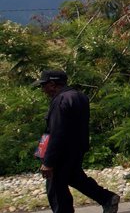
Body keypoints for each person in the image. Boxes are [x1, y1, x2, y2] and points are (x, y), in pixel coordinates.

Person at [33, 70, 120, 213]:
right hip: (77, 148)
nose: (43, 90)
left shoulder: (61, 100)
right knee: (74, 177)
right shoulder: (79, 96)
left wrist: (48, 161)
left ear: (52, 84)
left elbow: (57, 132)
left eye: (44, 85)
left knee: (55, 186)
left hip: (62, 151)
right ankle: (107, 198)